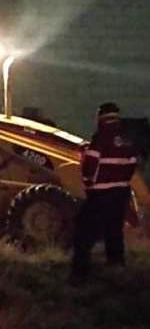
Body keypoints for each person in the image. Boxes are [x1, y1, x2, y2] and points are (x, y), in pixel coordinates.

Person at [69, 101, 139, 283]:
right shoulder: (126, 139)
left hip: (101, 193)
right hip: (120, 192)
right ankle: (116, 265)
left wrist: (88, 183)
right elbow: (132, 164)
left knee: (83, 230)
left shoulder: (100, 137)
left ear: (101, 116)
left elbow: (90, 164)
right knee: (114, 230)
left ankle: (80, 272)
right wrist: (122, 181)